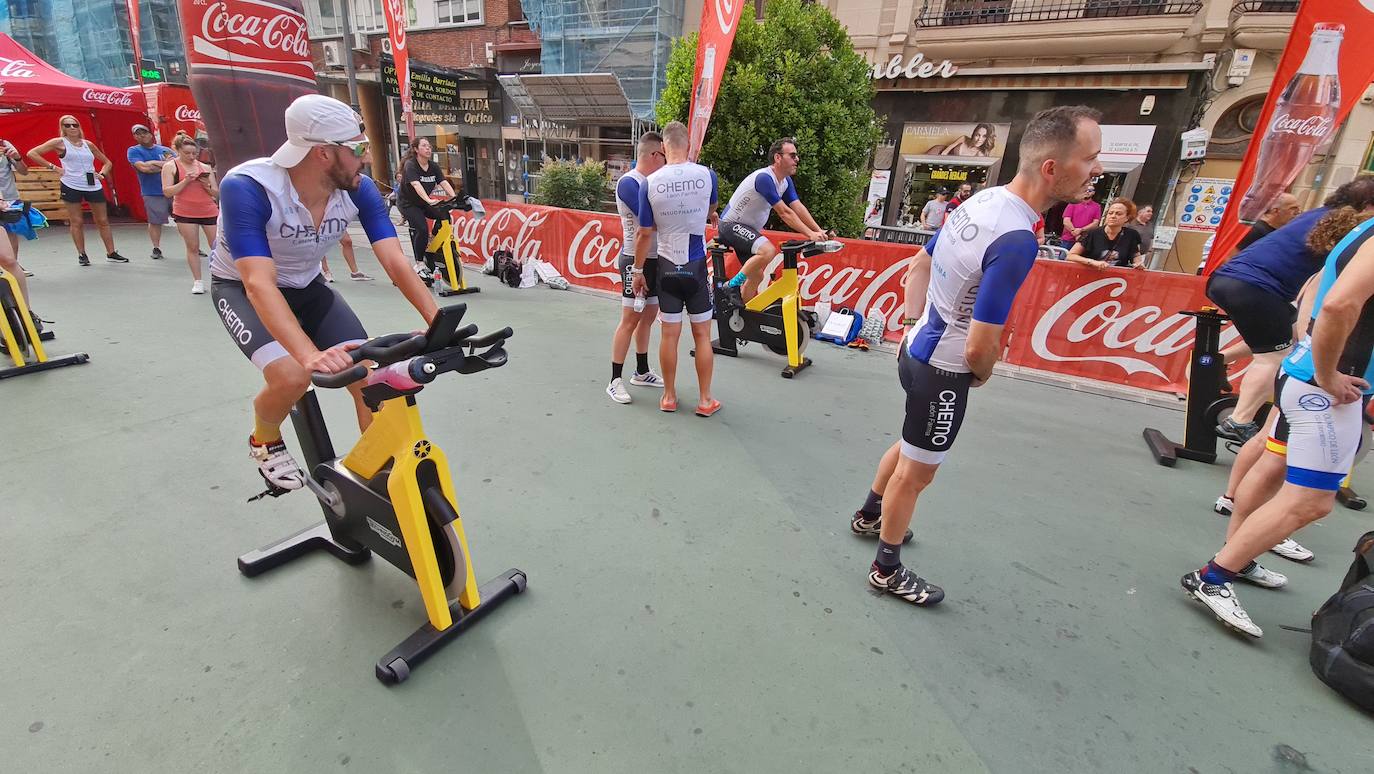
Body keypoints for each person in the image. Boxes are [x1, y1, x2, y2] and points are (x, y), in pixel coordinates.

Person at [850, 105, 1103, 607]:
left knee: (909, 445)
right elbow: (979, 344)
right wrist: (981, 372)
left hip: (916, 348)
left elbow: (916, 267)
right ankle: (886, 568)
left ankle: (869, 514)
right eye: (1090, 159)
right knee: (918, 472)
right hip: (944, 368)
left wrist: (908, 324)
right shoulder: (1015, 240)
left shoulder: (983, 201)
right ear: (1051, 167)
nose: (1097, 171)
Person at [207, 94, 437, 491]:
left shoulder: (357, 189)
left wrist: (437, 322)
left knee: (370, 380)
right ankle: (264, 440)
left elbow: (395, 262)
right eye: (359, 148)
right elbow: (258, 283)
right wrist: (308, 353)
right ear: (323, 153)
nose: (366, 158)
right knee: (293, 375)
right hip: (240, 288)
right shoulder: (249, 187)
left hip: (308, 287)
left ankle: (379, 477)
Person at [1183, 209, 1374, 639]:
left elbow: (1314, 298)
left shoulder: (1361, 228)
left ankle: (1236, 557)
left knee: (1272, 465)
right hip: (1328, 388)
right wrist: (1326, 374)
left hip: (1313, 377)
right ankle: (1213, 577)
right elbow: (1338, 304)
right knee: (1311, 501)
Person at [1206, 178, 1374, 444]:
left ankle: (1219, 360)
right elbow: (1324, 286)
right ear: (1367, 206)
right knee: (1274, 357)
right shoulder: (1352, 229)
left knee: (1290, 335)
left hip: (1228, 280)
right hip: (1255, 287)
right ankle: (1239, 421)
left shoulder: (1317, 215)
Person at [630, 121, 721, 417]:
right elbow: (709, 210)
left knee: (669, 336)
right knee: (703, 336)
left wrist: (638, 271)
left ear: (664, 148)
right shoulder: (707, 175)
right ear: (689, 145)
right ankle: (706, 400)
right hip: (695, 268)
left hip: (667, 268)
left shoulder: (649, 182)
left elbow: (644, 233)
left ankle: (668, 397)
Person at [717, 137, 827, 302]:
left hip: (746, 230)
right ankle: (731, 285)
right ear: (778, 157)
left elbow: (798, 207)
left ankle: (741, 317)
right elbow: (784, 213)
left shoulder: (785, 181)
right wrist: (810, 234)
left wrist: (818, 231)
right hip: (730, 225)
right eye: (792, 155)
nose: (797, 159)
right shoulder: (764, 178)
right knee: (768, 251)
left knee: (757, 277)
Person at [606, 131, 667, 405]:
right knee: (630, 319)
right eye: (665, 155)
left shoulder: (654, 182)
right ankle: (614, 380)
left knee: (649, 316)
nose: (669, 161)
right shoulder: (630, 183)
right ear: (654, 155)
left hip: (656, 259)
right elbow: (650, 223)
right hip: (634, 259)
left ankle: (642, 370)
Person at [27, 115, 127, 265]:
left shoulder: (88, 144)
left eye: (74, 125)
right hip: (71, 184)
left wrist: (102, 174)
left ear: (79, 126)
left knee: (102, 220)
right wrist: (54, 167)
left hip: (92, 184)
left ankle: (111, 252)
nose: (72, 128)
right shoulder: (59, 143)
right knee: (77, 221)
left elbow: (107, 162)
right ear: (63, 128)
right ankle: (82, 254)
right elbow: (32, 153)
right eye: (67, 125)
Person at [161, 134, 219, 294]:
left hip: (208, 210)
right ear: (178, 150)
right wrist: (185, 181)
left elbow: (216, 193)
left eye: (194, 153)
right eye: (187, 153)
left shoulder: (205, 167)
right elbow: (167, 192)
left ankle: (220, 278)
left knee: (217, 246)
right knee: (192, 246)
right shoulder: (170, 166)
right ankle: (198, 281)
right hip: (185, 211)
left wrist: (206, 186)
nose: (192, 156)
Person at [396, 138, 456, 281]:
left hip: (423, 202)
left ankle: (434, 243)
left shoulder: (433, 166)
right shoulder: (411, 165)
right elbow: (416, 185)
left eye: (429, 147)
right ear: (416, 149)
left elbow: (443, 182)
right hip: (408, 203)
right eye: (424, 146)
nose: (428, 149)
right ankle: (419, 263)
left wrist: (454, 197)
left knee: (444, 216)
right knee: (422, 228)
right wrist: (429, 200)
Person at [127, 125, 174, 260]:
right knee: (155, 221)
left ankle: (193, 246)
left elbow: (176, 165)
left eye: (144, 132)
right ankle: (156, 247)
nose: (142, 135)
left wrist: (152, 163)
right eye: (138, 134)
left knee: (183, 219)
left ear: (150, 134)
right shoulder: (133, 150)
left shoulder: (165, 150)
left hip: (172, 189)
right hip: (152, 191)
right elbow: (143, 168)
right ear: (135, 137)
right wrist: (164, 165)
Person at [1067, 198, 1144, 269]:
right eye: (1110, 213)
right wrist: (1092, 262)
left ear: (1127, 218)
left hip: (1118, 279)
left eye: (1118, 214)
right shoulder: (1092, 233)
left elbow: (1136, 256)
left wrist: (1138, 264)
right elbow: (1071, 255)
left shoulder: (1132, 235)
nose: (1113, 216)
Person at [1228, 192, 1301, 258]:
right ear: (1275, 211)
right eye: (1293, 208)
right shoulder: (1254, 230)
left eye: (1298, 209)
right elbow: (1231, 255)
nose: (1298, 213)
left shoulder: (1280, 231)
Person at [0, 137, 33, 278]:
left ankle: (12, 264)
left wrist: (18, 158)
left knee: (10, 232)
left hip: (9, 197)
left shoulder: (4, 144)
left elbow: (24, 171)